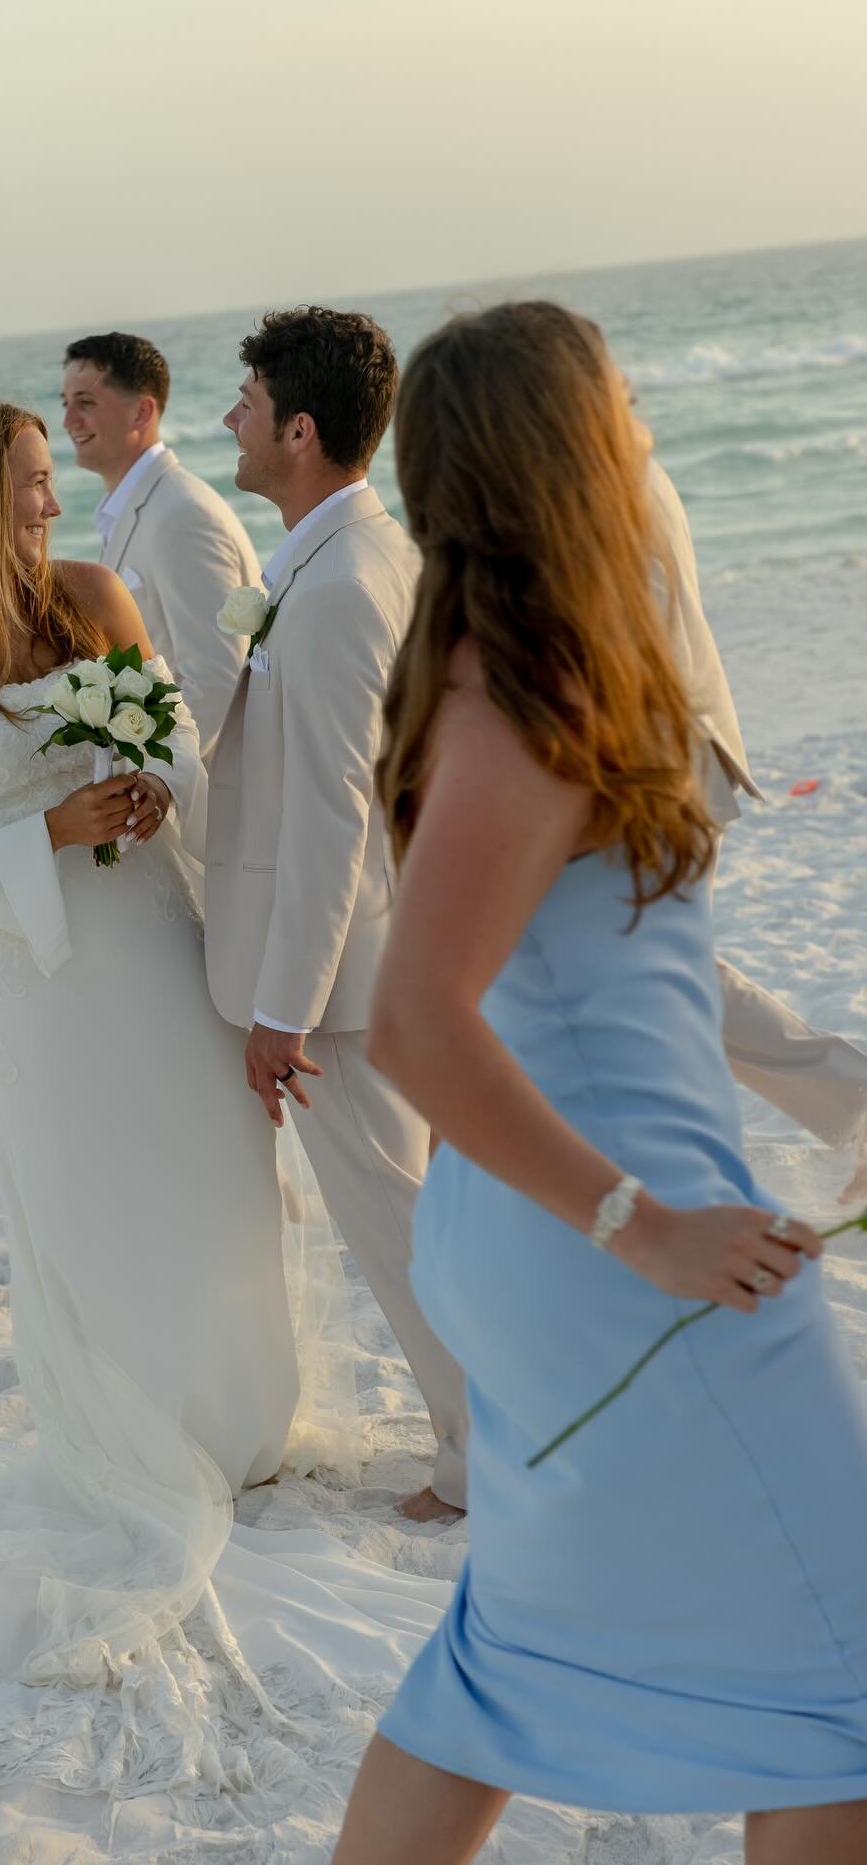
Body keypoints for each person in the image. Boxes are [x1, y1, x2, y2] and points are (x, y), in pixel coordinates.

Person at [0, 397, 449, 1810]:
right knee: (96, 1208)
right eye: (29, 483)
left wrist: (148, 785)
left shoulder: (94, 596)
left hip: (150, 935)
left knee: (218, 1180)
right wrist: (42, 830)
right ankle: (158, 1441)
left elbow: (186, 747)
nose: (51, 501)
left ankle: (244, 1428)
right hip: (39, 982)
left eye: (49, 476)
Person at [333, 302, 867, 1864]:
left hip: (548, 1228)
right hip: (618, 1244)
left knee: (508, 1661)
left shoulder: (518, 673)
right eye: (620, 400)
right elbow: (414, 1021)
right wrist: (644, 1225)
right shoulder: (525, 694)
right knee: (843, 1680)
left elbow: (617, 973)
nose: (640, 425)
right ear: (571, 444)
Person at [207, 307, 470, 1521]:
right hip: (380, 954)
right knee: (421, 1223)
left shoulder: (337, 590)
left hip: (345, 983)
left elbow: (331, 823)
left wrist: (284, 1012)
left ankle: (481, 1465)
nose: (232, 421)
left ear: (300, 431)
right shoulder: (350, 556)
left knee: (402, 1236)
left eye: (249, 404)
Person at [650, 459, 867, 1203]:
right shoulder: (618, 462)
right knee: (664, 980)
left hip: (650, 778)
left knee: (662, 978)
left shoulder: (589, 475)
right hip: (671, 765)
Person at [62, 332, 257, 758]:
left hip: (194, 785)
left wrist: (155, 780)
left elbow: (214, 678)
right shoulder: (132, 509)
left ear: (142, 411)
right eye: (66, 403)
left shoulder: (182, 515)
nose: (68, 421)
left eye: (86, 403)